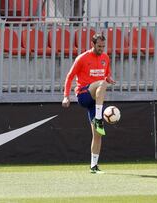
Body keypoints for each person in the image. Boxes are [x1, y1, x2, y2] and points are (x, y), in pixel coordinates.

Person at [62, 33, 115, 174]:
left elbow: (106, 74)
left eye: (103, 46)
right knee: (102, 84)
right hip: (84, 94)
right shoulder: (82, 58)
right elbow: (69, 76)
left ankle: (94, 166)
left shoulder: (105, 58)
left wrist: (109, 79)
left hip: (96, 100)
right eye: (99, 46)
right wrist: (66, 96)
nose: (101, 49)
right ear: (93, 44)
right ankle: (99, 117)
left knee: (98, 134)